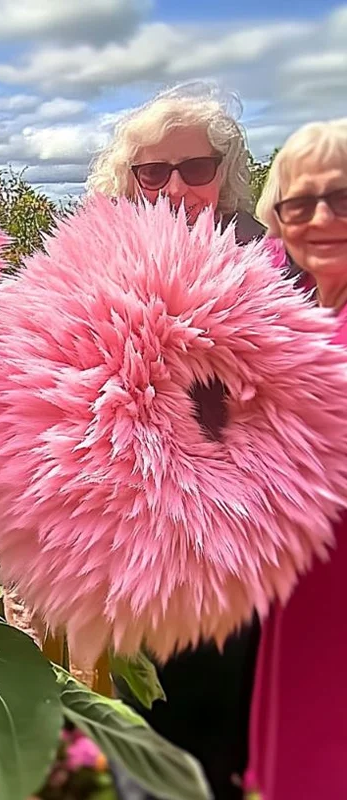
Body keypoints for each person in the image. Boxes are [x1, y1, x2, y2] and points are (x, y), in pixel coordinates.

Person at [85, 83, 266, 800]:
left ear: (225, 173)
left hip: (245, 535)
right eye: (152, 172)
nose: (175, 187)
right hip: (139, 534)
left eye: (196, 168)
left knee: (232, 717)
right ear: (125, 181)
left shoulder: (268, 260)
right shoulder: (96, 261)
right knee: (152, 717)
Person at [246, 119, 347, 800]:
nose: (321, 218)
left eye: (343, 197)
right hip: (308, 578)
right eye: (298, 203)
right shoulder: (302, 314)